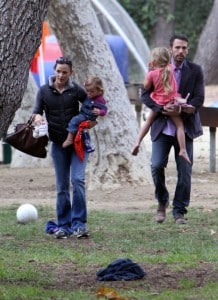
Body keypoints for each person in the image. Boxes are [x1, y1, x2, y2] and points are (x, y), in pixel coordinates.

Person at [141, 34, 204, 224]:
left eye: (184, 48)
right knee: (156, 165)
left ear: (188, 50)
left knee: (185, 170)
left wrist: (183, 108)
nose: (181, 51)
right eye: (177, 48)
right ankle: (162, 202)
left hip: (184, 127)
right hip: (161, 126)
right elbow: (145, 94)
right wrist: (161, 108)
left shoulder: (195, 70)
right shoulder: (157, 68)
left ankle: (179, 211)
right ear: (170, 49)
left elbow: (198, 98)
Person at [32, 56, 94, 239]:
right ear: (54, 70)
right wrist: (37, 118)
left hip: (78, 144)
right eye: (58, 71)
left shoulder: (76, 91)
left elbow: (90, 109)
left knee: (77, 180)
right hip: (58, 145)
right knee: (61, 186)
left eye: (64, 72)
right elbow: (36, 111)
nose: (60, 75)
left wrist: (89, 121)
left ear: (71, 73)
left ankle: (79, 223)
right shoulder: (44, 91)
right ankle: (64, 225)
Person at [132, 47, 191, 164]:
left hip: (158, 102)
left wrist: (149, 71)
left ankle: (137, 141)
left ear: (153, 62)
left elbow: (146, 87)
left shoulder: (152, 74)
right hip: (172, 102)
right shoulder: (171, 69)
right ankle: (183, 150)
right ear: (168, 60)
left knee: (148, 121)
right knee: (179, 125)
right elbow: (169, 62)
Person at [62, 75, 107, 148]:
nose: (89, 94)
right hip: (83, 114)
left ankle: (69, 138)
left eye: (92, 92)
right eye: (87, 91)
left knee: (74, 120)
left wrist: (99, 111)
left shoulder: (100, 100)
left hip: (87, 116)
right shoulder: (89, 95)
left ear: (99, 91)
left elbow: (104, 110)